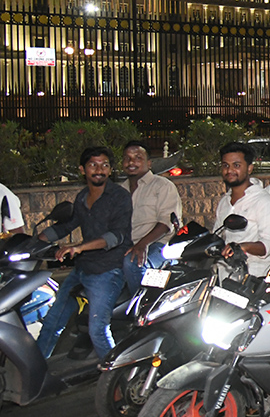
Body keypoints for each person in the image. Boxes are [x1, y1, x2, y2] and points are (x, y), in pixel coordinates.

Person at [35, 147, 133, 359]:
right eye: (93, 165)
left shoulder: (120, 197)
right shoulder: (81, 197)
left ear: (110, 169)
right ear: (82, 169)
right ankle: (35, 375)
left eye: (104, 165)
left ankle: (117, 381)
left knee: (97, 328)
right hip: (83, 268)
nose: (99, 170)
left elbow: (116, 236)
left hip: (107, 270)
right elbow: (66, 225)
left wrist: (78, 247)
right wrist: (34, 241)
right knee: (52, 321)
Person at [119, 140, 183, 296]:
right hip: (129, 245)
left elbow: (166, 223)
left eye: (138, 157)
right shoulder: (119, 191)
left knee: (133, 263)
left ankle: (142, 309)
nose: (131, 162)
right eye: (127, 158)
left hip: (159, 245)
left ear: (149, 163)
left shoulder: (162, 186)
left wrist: (142, 244)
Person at [214, 142, 270, 277]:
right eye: (225, 166)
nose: (230, 171)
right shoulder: (224, 202)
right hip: (225, 275)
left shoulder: (264, 202)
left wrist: (242, 246)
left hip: (254, 277)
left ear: (250, 168)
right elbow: (217, 236)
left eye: (237, 165)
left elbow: (269, 244)